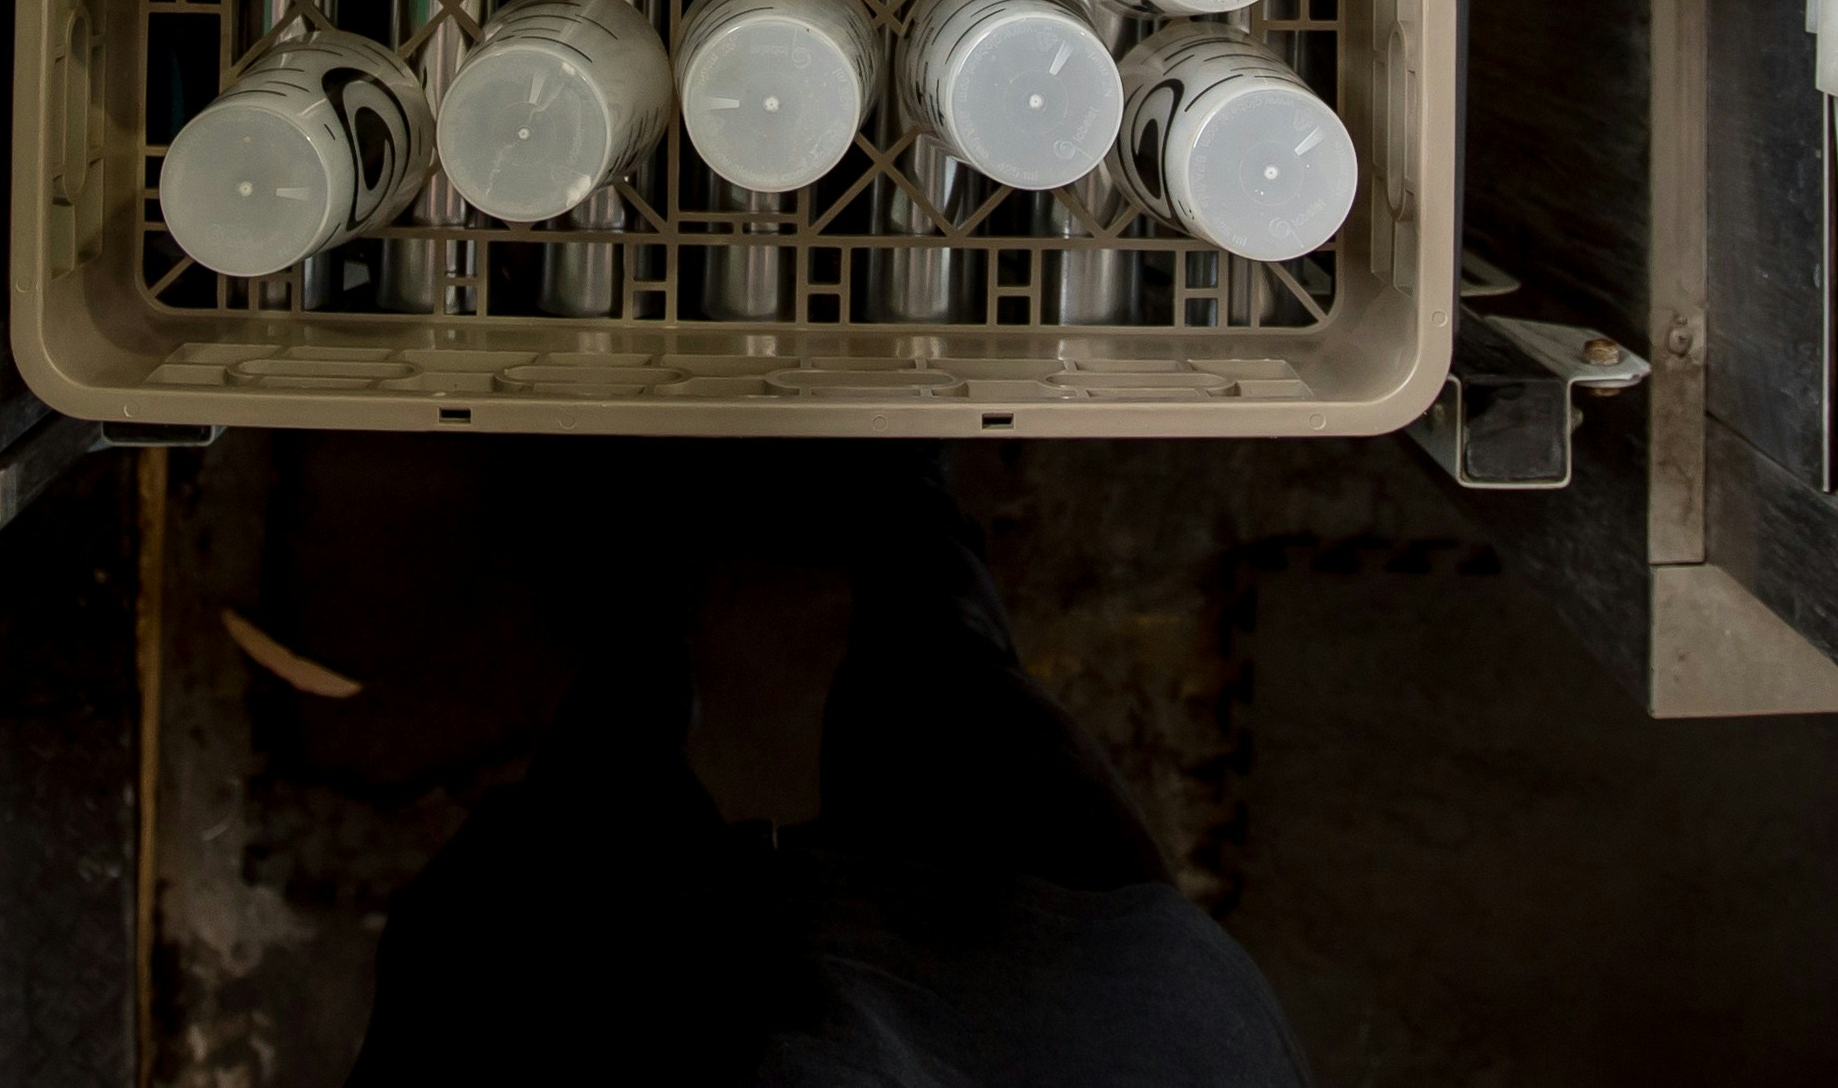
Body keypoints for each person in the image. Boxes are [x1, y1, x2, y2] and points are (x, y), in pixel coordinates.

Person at [348, 445, 1311, 1085]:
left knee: (601, 807)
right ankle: (897, 485)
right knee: (946, 690)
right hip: (1056, 1012)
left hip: (597, 1018)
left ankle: (651, 575)